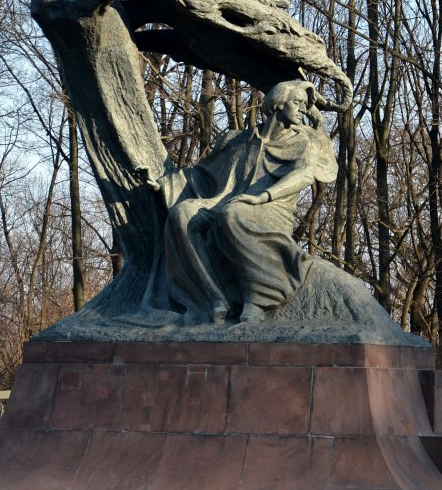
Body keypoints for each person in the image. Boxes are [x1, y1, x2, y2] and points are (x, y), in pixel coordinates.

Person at [139, 80, 338, 324]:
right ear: (277, 104)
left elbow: (304, 174)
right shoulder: (237, 139)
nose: (302, 110)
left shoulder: (302, 142)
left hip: (271, 210)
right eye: (297, 103)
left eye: (305, 106)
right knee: (182, 214)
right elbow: (202, 174)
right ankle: (214, 300)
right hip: (224, 202)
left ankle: (258, 298)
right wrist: (164, 184)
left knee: (232, 214)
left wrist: (262, 197)